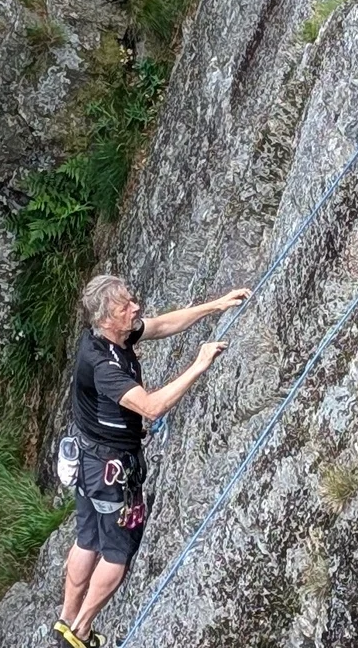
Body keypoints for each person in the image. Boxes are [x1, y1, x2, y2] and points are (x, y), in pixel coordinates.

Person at [54, 274, 251, 648]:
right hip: (111, 471)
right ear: (106, 319)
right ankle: (79, 632)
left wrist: (216, 305)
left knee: (87, 538)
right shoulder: (103, 365)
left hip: (89, 464)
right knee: (117, 553)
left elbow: (160, 326)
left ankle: (65, 619)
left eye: (131, 300)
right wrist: (199, 364)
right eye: (125, 306)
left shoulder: (109, 337)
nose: (135, 308)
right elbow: (151, 407)